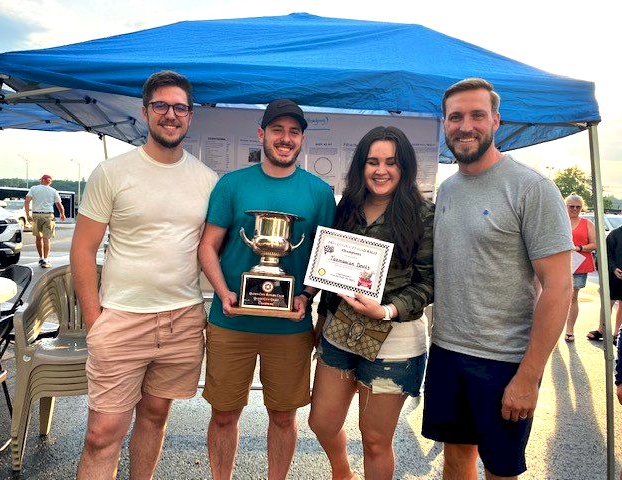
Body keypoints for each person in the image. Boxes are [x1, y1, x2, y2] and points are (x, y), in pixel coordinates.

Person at [422, 78, 573, 479]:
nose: (465, 126)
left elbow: (559, 288)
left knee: (500, 470)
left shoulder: (532, 188)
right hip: (447, 351)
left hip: (504, 360)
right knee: (455, 459)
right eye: (455, 117)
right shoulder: (447, 189)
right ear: (444, 124)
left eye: (477, 115)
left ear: (496, 121)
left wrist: (529, 375)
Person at [71, 70, 218, 479]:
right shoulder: (112, 172)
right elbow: (82, 249)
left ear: (190, 115)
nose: (171, 115)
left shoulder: (207, 180)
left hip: (182, 321)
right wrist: (94, 320)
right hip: (121, 319)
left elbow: (212, 249)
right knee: (102, 434)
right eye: (161, 106)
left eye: (180, 108)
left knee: (154, 417)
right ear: (145, 111)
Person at [197, 99, 335, 480]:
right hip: (231, 320)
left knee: (284, 416)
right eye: (277, 130)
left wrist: (306, 296)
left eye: (293, 132)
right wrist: (223, 292)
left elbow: (325, 258)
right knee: (223, 415)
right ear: (261, 134)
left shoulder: (319, 192)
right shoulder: (231, 184)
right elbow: (208, 246)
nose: (285, 139)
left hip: (290, 326)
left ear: (302, 139)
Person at [308, 126, 433, 480]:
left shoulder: (424, 215)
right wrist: (321, 319)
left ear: (405, 167)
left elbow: (428, 284)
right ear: (361, 166)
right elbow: (331, 275)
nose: (381, 170)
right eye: (372, 162)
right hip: (340, 332)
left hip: (395, 342)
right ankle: (342, 472)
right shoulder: (347, 207)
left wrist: (387, 310)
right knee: (321, 422)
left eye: (391, 162)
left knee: (375, 440)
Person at [562, 193, 597, 342]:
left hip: (579, 264)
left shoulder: (587, 223)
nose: (575, 209)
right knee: (556, 296)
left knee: (573, 297)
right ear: (565, 206)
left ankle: (569, 330)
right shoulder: (559, 221)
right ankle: (554, 330)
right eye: (571, 206)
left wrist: (579, 247)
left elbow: (595, 244)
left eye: (578, 207)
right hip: (558, 264)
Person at [25, 174, 66, 268]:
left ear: (42, 180)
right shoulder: (53, 191)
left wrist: (27, 214)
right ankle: (46, 259)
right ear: (49, 182)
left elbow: (27, 201)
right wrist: (62, 214)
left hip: (36, 214)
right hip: (48, 215)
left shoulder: (34, 188)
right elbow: (59, 204)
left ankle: (41, 257)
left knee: (38, 238)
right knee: (46, 238)